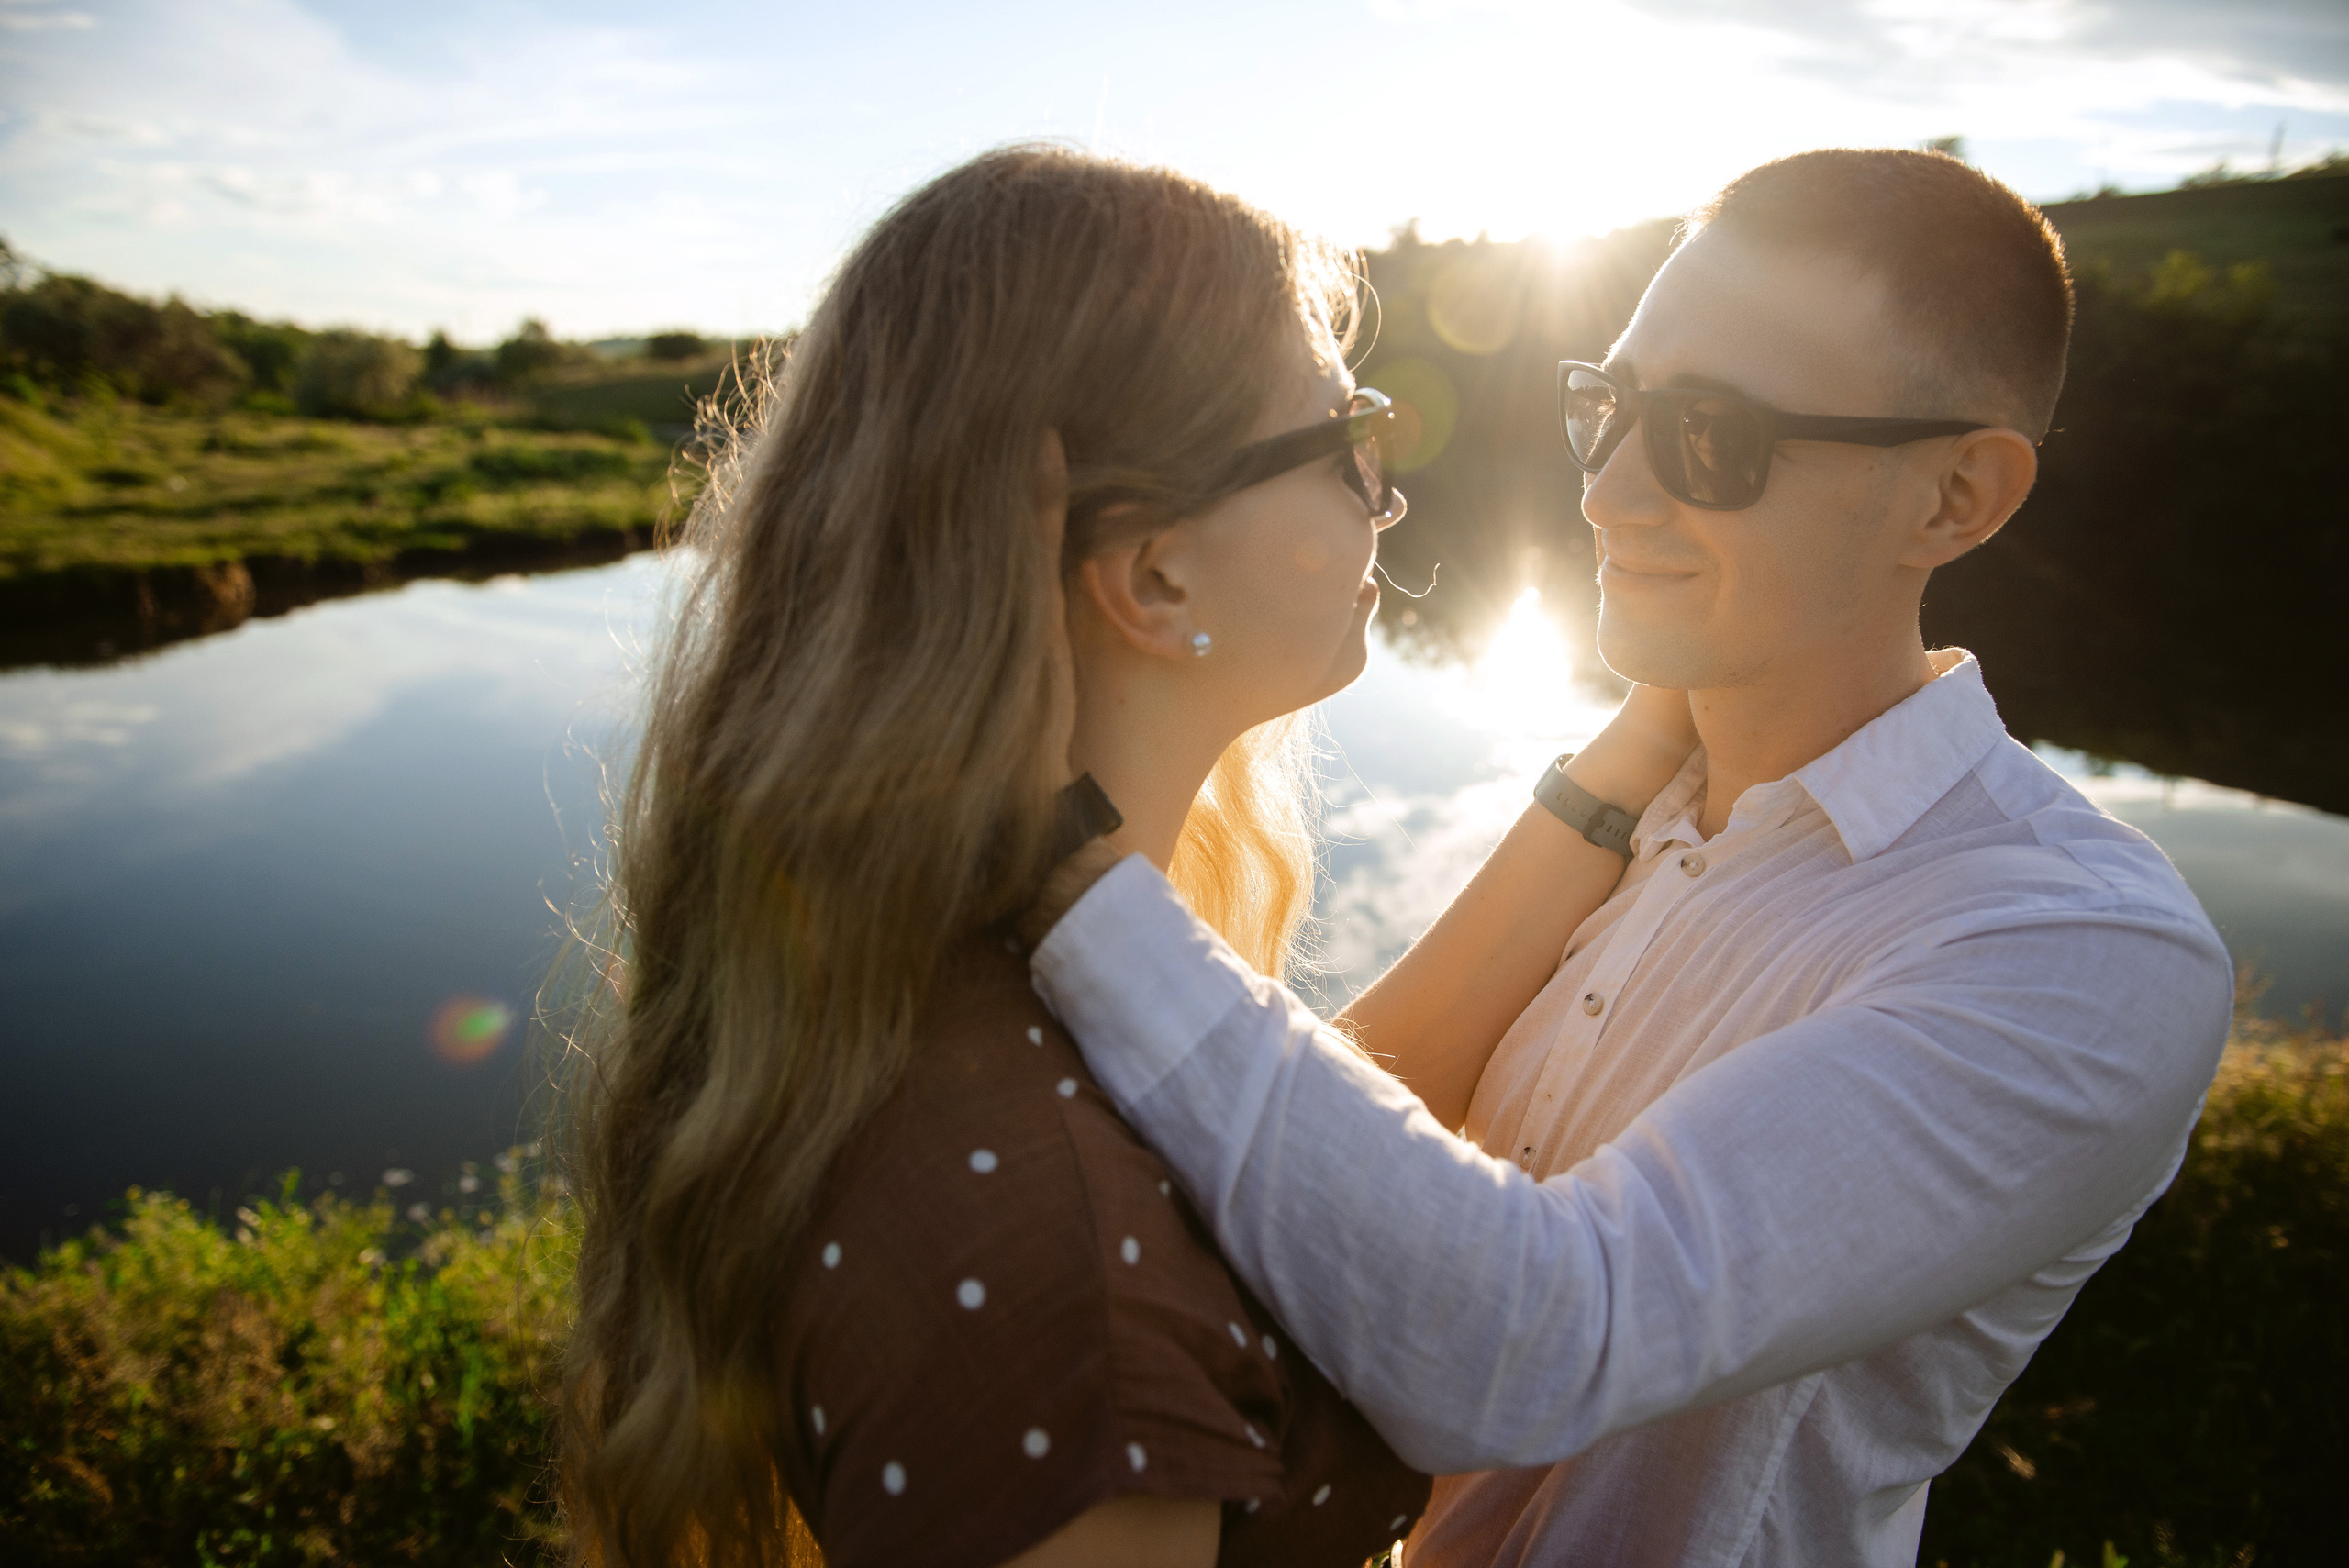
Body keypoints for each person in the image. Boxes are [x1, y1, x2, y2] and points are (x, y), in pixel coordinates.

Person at [1018, 149, 2234, 1566]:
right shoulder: (1642, 808)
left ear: (1957, 496)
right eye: (1607, 409)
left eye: (1711, 436)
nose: (1608, 494)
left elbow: (1530, 1340)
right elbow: (1370, 1128)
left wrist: (1054, 862)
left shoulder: (2073, 948)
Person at [553, 144, 1698, 1568]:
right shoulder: (1068, 1280)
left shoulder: (946, 974)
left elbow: (1302, 1111)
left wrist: (1634, 755)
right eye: (1346, 434)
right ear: (1155, 576)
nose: (1381, 486)